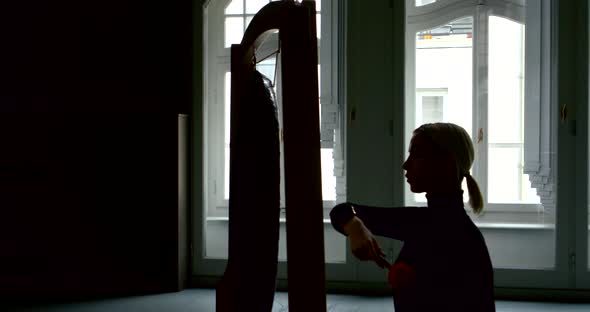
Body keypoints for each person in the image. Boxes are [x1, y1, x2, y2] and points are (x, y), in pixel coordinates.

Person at [330, 123, 495, 312]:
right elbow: (341, 211)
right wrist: (356, 227)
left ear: (446, 163)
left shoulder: (464, 239)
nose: (406, 165)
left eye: (416, 154)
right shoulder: (423, 222)